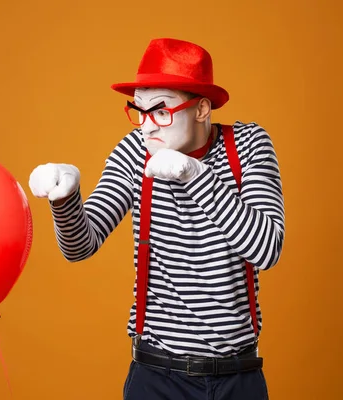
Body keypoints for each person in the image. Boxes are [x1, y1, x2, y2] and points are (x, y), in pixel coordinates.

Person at [28, 38, 285, 400]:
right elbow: (80, 246)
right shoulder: (134, 152)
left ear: (201, 109)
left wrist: (197, 177)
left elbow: (267, 248)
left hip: (236, 378)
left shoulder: (247, 146)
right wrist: (65, 199)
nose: (147, 127)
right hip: (156, 379)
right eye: (139, 110)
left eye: (161, 110)